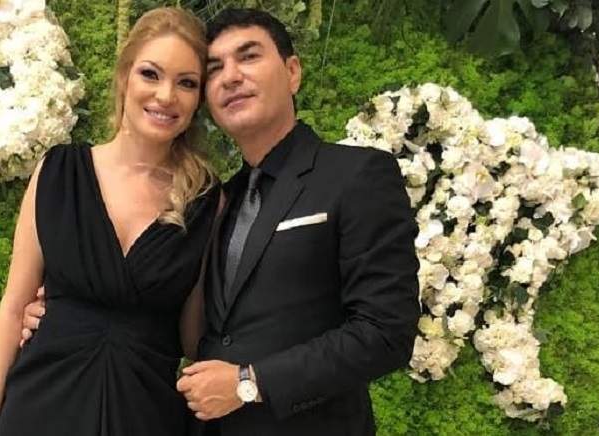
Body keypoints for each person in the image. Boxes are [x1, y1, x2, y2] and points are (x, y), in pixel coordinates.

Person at [22, 8, 420, 436]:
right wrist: (71, 312)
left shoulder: (356, 175)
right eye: (214, 69)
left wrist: (251, 383)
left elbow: (386, 332)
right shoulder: (212, 201)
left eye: (249, 56)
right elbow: (181, 318)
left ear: (292, 72)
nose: (231, 76)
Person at [0, 7, 220, 436]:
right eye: (150, 74)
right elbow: (14, 308)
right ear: (124, 77)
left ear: (199, 99)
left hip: (145, 415)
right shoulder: (58, 172)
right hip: (40, 408)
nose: (166, 95)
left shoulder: (206, 200)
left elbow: (193, 336)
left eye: (186, 83)